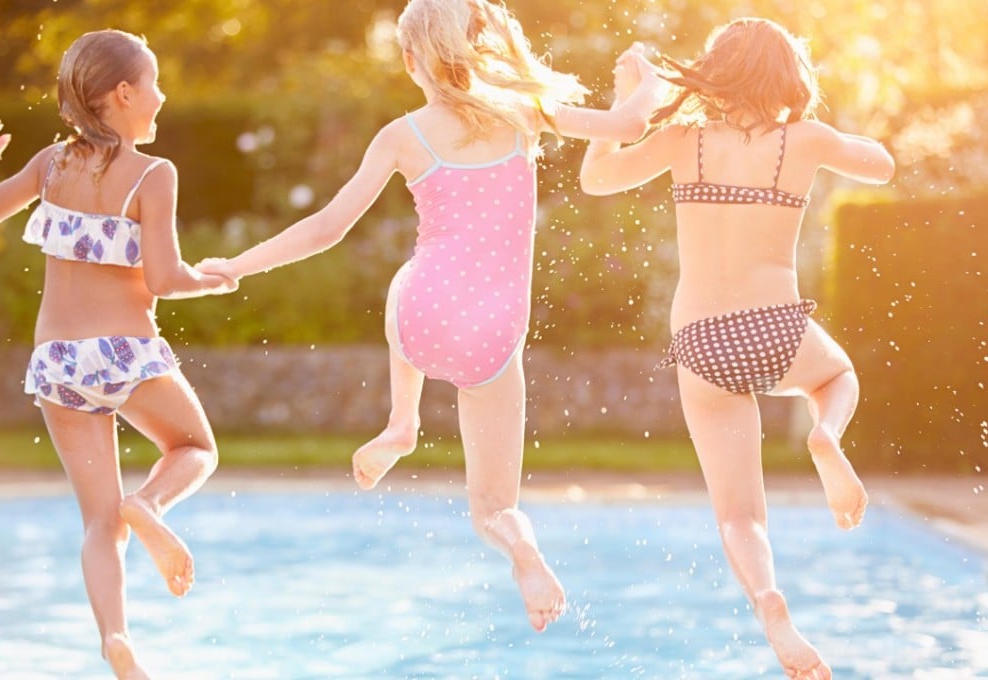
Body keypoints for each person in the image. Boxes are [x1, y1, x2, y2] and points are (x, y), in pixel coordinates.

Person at [196, 0, 657, 633]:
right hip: (495, 336)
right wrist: (642, 84)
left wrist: (239, 265)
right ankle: (524, 551)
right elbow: (629, 125)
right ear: (478, 49)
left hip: (422, 316)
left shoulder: (402, 135)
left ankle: (401, 422)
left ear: (412, 60)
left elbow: (327, 228)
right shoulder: (526, 112)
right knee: (494, 506)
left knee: (409, 277)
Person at [579, 19, 894, 680]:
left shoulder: (680, 140)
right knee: (835, 376)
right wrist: (827, 132)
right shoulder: (802, 141)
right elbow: (882, 164)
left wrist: (621, 103)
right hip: (775, 323)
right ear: (786, 79)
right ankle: (826, 436)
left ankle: (768, 600)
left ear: (714, 75)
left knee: (739, 514)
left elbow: (597, 179)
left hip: (699, 342)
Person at [0, 30, 236, 679]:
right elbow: (167, 279)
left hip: (56, 362)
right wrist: (216, 277)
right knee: (196, 449)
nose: (162, 96)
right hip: (123, 353)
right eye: (154, 83)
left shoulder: (50, 165)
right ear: (123, 93)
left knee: (98, 521)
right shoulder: (153, 173)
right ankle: (150, 505)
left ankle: (115, 639)